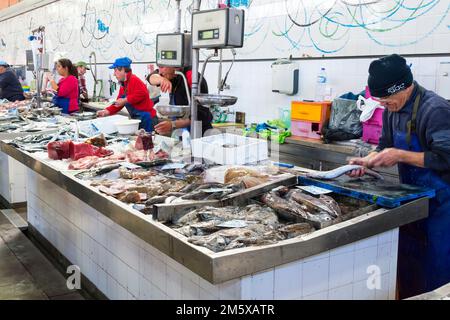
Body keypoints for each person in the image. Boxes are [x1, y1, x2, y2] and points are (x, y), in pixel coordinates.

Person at [348, 54, 450, 299]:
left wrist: (401, 155)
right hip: (413, 203)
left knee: (436, 274)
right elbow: (384, 144)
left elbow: (446, 157)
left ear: (404, 86)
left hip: (442, 209)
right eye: (379, 100)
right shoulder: (392, 109)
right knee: (408, 269)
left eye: (387, 98)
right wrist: (369, 159)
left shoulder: (435, 109)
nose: (383, 104)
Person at [147, 66, 213, 135]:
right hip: (182, 132)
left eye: (162, 67)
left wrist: (173, 125)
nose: (160, 72)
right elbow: (150, 77)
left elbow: (200, 114)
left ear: (174, 64)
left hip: (199, 132)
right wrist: (161, 80)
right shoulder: (172, 76)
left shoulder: (192, 77)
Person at [97, 57, 157, 132]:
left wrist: (125, 100)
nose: (114, 74)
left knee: (147, 142)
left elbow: (142, 93)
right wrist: (106, 111)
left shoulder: (134, 80)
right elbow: (118, 103)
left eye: (115, 70)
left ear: (122, 69)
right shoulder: (123, 84)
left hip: (147, 119)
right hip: (137, 119)